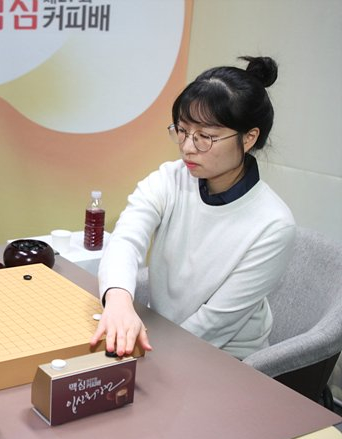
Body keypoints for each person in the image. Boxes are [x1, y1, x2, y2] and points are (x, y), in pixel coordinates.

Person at [90, 56, 296, 361]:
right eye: (182, 131)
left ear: (249, 138)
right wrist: (118, 301)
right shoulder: (170, 178)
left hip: (228, 359)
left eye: (205, 137)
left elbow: (213, 325)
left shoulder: (273, 224)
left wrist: (146, 355)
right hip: (161, 336)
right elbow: (126, 240)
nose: (187, 147)